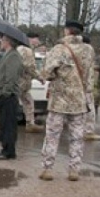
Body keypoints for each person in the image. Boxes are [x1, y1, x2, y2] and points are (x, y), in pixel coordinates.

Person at [39, 20, 93, 181]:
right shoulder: (89, 50)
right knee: (77, 136)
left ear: (67, 31)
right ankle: (74, 169)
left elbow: (46, 73)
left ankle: (48, 169)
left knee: (53, 135)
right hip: (79, 100)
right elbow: (90, 75)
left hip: (59, 101)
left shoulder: (59, 49)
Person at [0, 34, 23, 160]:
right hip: (2, 95)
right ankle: (5, 148)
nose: (0, 42)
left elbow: (11, 77)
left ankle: (9, 151)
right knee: (4, 124)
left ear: (8, 41)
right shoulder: (6, 55)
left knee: (8, 125)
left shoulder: (14, 56)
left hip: (8, 96)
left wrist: (5, 93)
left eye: (2, 40)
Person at [20, 33, 45, 132]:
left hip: (21, 83)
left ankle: (30, 123)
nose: (38, 42)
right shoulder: (27, 50)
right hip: (20, 83)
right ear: (30, 39)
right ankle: (30, 123)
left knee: (28, 102)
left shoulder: (22, 48)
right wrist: (40, 78)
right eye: (36, 39)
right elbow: (30, 67)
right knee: (26, 102)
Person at [80, 34, 100, 141]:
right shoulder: (88, 49)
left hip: (78, 84)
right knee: (89, 108)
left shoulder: (78, 49)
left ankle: (81, 129)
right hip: (86, 85)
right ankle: (88, 131)